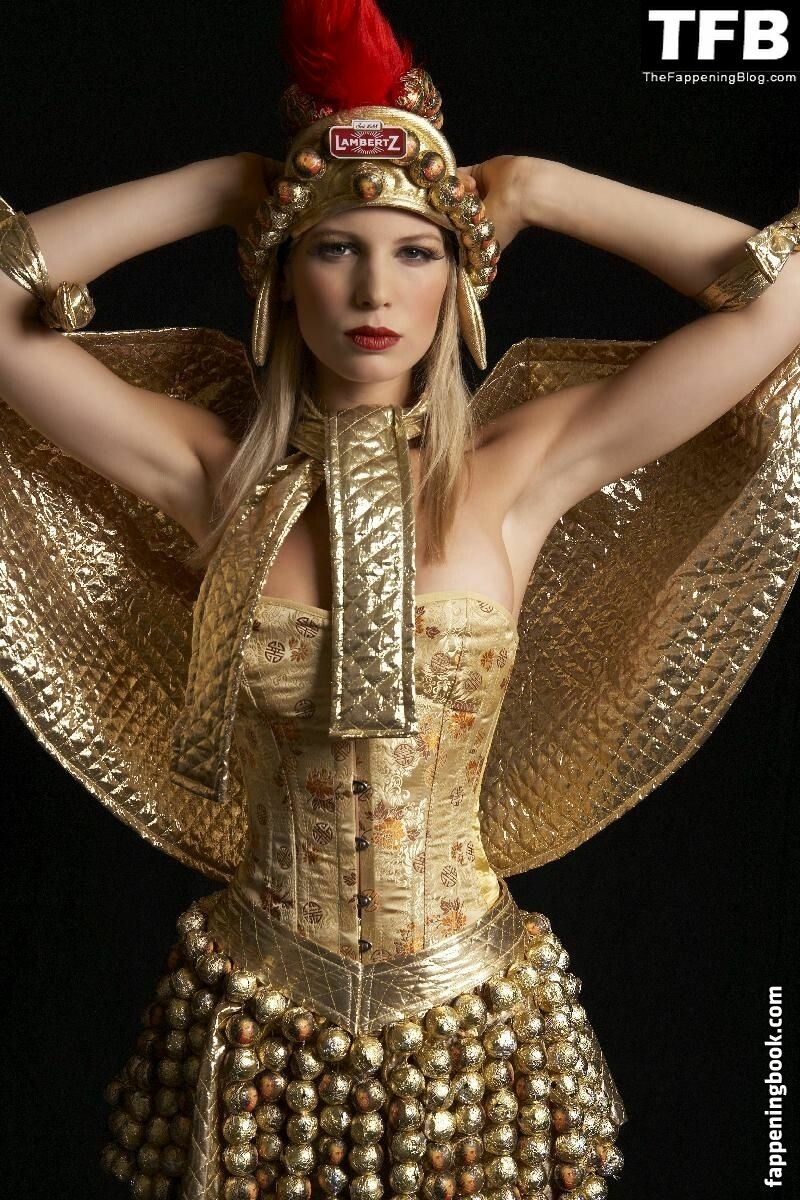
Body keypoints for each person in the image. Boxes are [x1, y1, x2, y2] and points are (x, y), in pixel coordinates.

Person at [1, 1, 798, 1198]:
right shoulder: (212, 478)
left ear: (458, 283)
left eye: (415, 252)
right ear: (282, 277)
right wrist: (224, 188)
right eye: (334, 249)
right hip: (258, 1020)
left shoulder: (520, 475)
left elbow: (784, 303)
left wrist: (536, 187)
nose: (374, 288)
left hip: (469, 1024)